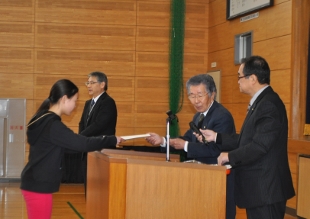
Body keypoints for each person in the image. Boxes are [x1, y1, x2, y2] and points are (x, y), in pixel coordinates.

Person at [200, 56, 295, 219]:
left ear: (253, 79)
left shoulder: (268, 105)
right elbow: (248, 140)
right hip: (260, 190)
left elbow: (259, 146)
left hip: (266, 190)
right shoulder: (262, 102)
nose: (238, 81)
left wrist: (229, 156)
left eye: (240, 76)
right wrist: (216, 137)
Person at [20, 79, 124, 219]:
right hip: (39, 186)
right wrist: (111, 139)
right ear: (64, 99)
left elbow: (71, 147)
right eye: (74, 101)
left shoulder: (43, 120)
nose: (75, 106)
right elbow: (83, 143)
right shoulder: (53, 125)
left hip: (35, 183)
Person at [146, 74, 237, 219]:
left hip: (219, 180)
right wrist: (163, 141)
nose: (196, 101)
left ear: (212, 94)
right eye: (192, 96)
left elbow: (215, 150)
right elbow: (187, 138)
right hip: (203, 179)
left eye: (200, 95)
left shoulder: (221, 116)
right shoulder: (199, 116)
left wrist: (186, 145)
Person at [78, 71, 117, 193]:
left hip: (102, 150)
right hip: (88, 149)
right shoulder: (88, 103)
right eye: (87, 83)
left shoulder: (108, 102)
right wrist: (81, 140)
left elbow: (99, 125)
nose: (88, 86)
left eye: (92, 83)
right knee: (88, 187)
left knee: (100, 189)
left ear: (102, 84)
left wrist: (80, 137)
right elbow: (82, 124)